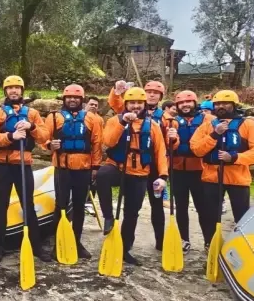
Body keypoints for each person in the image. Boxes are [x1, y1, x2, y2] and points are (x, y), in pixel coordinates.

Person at [96, 87, 168, 266]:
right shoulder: (115, 120)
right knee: (102, 175)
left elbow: (160, 152)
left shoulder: (153, 126)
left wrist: (162, 176)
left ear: (144, 104)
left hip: (139, 173)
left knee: (131, 213)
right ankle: (108, 217)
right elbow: (107, 141)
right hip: (118, 168)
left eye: (139, 103)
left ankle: (125, 249)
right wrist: (122, 123)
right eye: (131, 103)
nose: (135, 106)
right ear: (126, 104)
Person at [0, 75, 50, 262]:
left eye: (17, 88)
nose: (14, 91)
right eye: (10, 88)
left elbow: (44, 136)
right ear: (5, 91)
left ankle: (36, 246)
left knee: (27, 205)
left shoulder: (32, 114)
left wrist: (31, 127)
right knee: (2, 205)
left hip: (23, 164)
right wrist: (10, 136)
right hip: (3, 165)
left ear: (22, 91)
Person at [43, 84, 102, 259]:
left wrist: (95, 167)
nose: (72, 100)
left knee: (78, 207)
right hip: (62, 168)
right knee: (60, 206)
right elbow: (44, 139)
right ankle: (58, 242)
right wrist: (49, 145)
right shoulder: (54, 118)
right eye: (69, 97)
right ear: (64, 99)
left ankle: (76, 242)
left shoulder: (92, 119)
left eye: (76, 97)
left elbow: (97, 144)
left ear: (82, 100)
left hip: (83, 169)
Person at [190, 89, 254, 226]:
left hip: (238, 178)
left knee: (242, 217)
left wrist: (234, 157)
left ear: (234, 105)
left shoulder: (248, 125)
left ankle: (241, 243)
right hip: (212, 177)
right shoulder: (207, 126)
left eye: (225, 103)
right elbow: (197, 150)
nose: (220, 106)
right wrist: (214, 135)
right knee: (210, 217)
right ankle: (210, 244)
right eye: (217, 104)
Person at [168, 90, 212, 251]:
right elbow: (168, 146)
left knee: (203, 207)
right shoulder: (172, 122)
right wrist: (171, 140)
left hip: (200, 169)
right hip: (178, 169)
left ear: (195, 103)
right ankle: (183, 239)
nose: (185, 105)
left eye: (188, 102)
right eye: (180, 103)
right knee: (181, 206)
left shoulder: (208, 119)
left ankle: (208, 240)